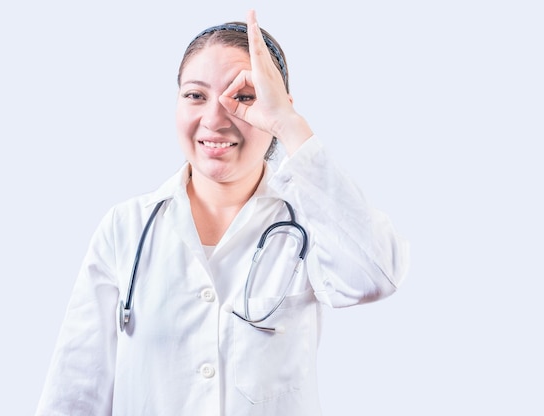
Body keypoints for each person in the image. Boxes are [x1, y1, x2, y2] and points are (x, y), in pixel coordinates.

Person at [35, 9, 409, 416]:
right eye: (195, 95)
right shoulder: (125, 229)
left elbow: (376, 275)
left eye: (244, 97)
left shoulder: (309, 221)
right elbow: (74, 394)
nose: (215, 119)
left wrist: (289, 125)